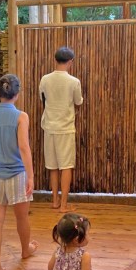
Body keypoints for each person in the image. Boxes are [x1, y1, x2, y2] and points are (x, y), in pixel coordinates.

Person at [0, 74, 38, 270]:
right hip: (16, 174)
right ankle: (25, 250)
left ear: (0, 93)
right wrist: (30, 176)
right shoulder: (21, 116)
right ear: (17, 93)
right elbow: (24, 147)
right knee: (21, 216)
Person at [39, 46, 83, 212]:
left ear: (55, 60)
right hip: (65, 128)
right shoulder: (73, 81)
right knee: (66, 166)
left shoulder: (45, 79)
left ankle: (55, 200)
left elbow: (42, 98)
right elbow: (78, 101)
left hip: (49, 127)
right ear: (70, 62)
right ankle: (64, 205)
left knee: (53, 166)